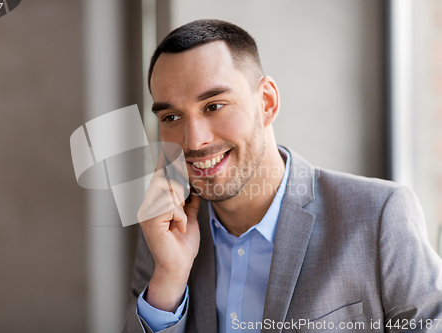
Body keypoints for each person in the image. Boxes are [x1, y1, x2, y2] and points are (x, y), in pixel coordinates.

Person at [122, 19, 442, 333]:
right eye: (172, 116)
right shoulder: (165, 229)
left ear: (267, 102)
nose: (193, 141)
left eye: (214, 106)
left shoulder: (379, 214)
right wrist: (169, 276)